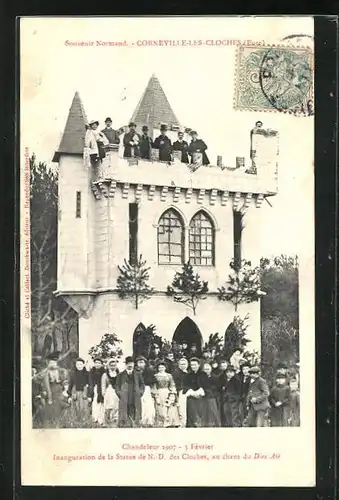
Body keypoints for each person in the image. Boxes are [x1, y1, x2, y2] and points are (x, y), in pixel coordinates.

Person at [115, 356, 145, 427]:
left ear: (134, 364)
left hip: (135, 396)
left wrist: (140, 392)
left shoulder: (138, 374)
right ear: (125, 364)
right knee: (124, 414)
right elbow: (117, 386)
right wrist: (120, 394)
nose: (130, 365)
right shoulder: (120, 375)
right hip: (124, 397)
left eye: (131, 363)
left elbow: (142, 385)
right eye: (128, 363)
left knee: (135, 412)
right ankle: (124, 426)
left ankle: (135, 425)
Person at [42, 353, 69, 427]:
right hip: (51, 390)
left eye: (54, 362)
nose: (52, 364)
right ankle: (51, 421)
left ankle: (59, 421)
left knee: (61, 404)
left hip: (59, 390)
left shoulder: (60, 371)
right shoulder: (46, 372)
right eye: (51, 362)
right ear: (48, 363)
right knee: (51, 405)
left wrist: (65, 388)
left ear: (56, 363)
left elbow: (64, 381)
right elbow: (46, 385)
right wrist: (49, 396)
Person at [183, 357, 208, 428]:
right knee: (192, 415)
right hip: (191, 398)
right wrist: (192, 392)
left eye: (195, 365)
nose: (193, 366)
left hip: (201, 398)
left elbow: (206, 386)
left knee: (201, 415)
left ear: (199, 365)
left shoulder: (203, 374)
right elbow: (185, 386)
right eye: (192, 365)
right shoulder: (188, 375)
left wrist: (200, 392)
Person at [152, 360, 176, 427]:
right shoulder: (155, 376)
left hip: (167, 392)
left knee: (167, 406)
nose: (161, 369)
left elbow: (172, 384)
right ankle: (160, 422)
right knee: (159, 407)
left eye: (162, 367)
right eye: (159, 367)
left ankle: (168, 422)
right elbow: (154, 386)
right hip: (159, 392)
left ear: (165, 368)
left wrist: (172, 393)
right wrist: (156, 395)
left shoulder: (169, 375)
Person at [67, 358, 91, 424]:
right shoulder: (73, 374)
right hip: (75, 394)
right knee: (75, 408)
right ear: (76, 365)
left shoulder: (87, 374)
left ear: (83, 365)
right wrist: (69, 396)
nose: (79, 366)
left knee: (84, 408)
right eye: (78, 364)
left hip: (84, 394)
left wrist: (89, 396)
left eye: (80, 364)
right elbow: (70, 385)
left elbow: (90, 385)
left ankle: (84, 423)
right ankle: (75, 423)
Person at [136, 356, 156, 427]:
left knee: (148, 404)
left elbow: (153, 383)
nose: (140, 364)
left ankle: (148, 420)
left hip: (146, 389)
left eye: (142, 362)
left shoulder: (149, 371)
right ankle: (139, 420)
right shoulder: (135, 371)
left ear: (145, 363)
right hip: (137, 389)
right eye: (139, 362)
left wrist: (153, 392)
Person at [101, 358, 120, 426]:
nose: (113, 367)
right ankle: (106, 422)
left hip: (116, 392)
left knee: (116, 407)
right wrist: (103, 393)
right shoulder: (105, 375)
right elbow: (103, 385)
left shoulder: (119, 374)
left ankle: (115, 421)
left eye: (114, 365)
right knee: (108, 406)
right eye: (111, 365)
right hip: (109, 392)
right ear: (108, 366)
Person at [202, 362, 221, 427]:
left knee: (213, 411)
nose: (206, 371)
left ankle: (215, 425)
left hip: (212, 396)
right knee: (205, 413)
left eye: (208, 369)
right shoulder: (201, 377)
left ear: (211, 369)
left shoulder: (215, 377)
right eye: (205, 369)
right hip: (203, 397)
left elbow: (218, 387)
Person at [172, 357, 189, 427]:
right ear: (179, 365)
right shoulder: (175, 373)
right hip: (180, 392)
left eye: (184, 364)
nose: (183, 365)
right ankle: (181, 424)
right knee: (181, 410)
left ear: (187, 365)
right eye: (181, 364)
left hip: (189, 393)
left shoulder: (189, 373)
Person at [89, 357, 105, 426]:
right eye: (96, 363)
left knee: (102, 405)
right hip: (94, 389)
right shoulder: (91, 372)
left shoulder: (104, 372)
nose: (97, 364)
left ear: (101, 364)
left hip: (102, 389)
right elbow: (90, 381)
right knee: (94, 404)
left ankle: (101, 420)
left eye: (99, 363)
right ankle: (94, 419)